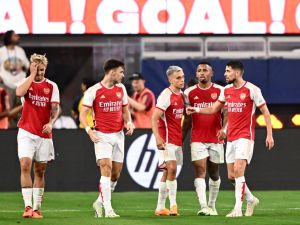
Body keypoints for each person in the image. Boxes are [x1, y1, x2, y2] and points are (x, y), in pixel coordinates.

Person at [187, 60, 274, 217]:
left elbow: (266, 112)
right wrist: (197, 109)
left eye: (228, 71)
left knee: (239, 171)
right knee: (232, 176)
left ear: (237, 73)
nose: (225, 74)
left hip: (245, 137)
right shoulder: (226, 90)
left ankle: (237, 209)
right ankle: (251, 199)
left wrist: (269, 134)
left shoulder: (252, 89)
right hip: (231, 138)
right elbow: (214, 109)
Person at [79, 59, 134, 218]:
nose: (123, 75)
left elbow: (125, 111)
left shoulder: (121, 89)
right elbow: (83, 114)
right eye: (121, 72)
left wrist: (129, 122)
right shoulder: (93, 91)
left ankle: (99, 202)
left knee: (115, 174)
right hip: (101, 135)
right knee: (106, 168)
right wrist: (89, 130)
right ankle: (108, 209)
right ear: (112, 71)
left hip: (118, 135)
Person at [16, 53, 60, 219]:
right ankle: (27, 207)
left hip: (44, 134)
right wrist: (32, 75)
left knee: (40, 171)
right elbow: (19, 92)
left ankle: (36, 208)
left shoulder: (52, 86)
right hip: (26, 131)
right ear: (31, 67)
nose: (40, 72)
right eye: (36, 69)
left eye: (42, 69)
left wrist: (51, 123)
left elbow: (55, 109)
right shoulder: (25, 83)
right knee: (25, 165)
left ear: (45, 68)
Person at [182, 62, 227, 216]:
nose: (202, 73)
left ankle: (212, 205)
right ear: (196, 74)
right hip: (197, 138)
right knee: (200, 170)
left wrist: (224, 128)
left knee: (214, 173)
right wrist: (180, 139)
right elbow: (187, 118)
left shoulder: (221, 91)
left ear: (211, 73)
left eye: (205, 70)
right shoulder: (188, 93)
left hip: (216, 137)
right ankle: (203, 206)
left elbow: (226, 114)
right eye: (199, 71)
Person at [152, 66, 185, 216]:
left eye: (182, 77)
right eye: (178, 78)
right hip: (166, 139)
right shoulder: (166, 95)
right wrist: (157, 137)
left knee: (168, 171)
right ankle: (173, 206)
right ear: (170, 80)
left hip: (176, 139)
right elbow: (154, 117)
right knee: (171, 169)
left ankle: (160, 207)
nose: (181, 80)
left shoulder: (182, 95)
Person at [0, 30, 29, 106]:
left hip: (20, 86)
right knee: (7, 110)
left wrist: (21, 67)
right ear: (9, 38)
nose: (18, 37)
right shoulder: (1, 51)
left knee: (21, 112)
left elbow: (27, 66)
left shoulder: (20, 50)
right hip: (6, 85)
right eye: (15, 36)